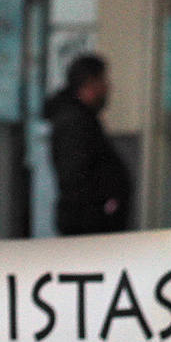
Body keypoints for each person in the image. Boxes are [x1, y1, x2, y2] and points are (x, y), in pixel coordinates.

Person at [44, 52, 133, 235]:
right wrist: (103, 205)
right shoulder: (75, 122)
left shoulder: (82, 118)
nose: (108, 87)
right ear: (90, 83)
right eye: (103, 81)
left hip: (93, 219)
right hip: (88, 223)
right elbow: (75, 176)